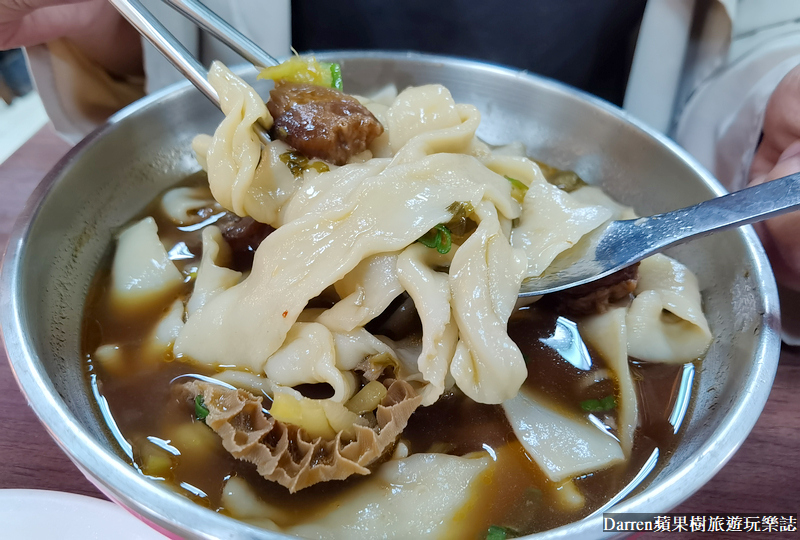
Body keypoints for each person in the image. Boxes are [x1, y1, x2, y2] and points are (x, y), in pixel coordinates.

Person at [3, 0, 800, 339]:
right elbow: (120, 31)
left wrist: (778, 103)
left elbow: (771, 19)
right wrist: (99, 23)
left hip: (624, 117)